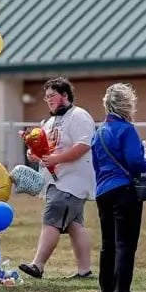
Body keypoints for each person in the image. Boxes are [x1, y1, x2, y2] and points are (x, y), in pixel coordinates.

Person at [19, 77, 97, 280]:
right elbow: (46, 149)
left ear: (65, 95)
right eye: (46, 97)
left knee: (51, 220)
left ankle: (38, 265)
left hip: (70, 181)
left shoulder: (79, 116)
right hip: (55, 180)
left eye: (52, 96)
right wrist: (34, 155)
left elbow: (83, 146)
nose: (48, 100)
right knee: (75, 225)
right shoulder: (49, 122)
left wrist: (56, 158)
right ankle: (84, 271)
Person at [90, 83, 146, 292]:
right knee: (126, 243)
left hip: (103, 191)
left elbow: (96, 165)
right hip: (124, 190)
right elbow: (135, 163)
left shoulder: (99, 133)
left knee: (108, 244)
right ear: (126, 105)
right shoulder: (127, 130)